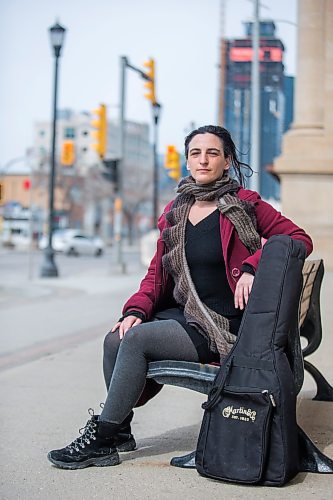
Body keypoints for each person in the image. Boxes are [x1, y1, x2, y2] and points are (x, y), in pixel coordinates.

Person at [47, 125, 313, 470]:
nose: (203, 160)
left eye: (213, 153)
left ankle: (101, 438)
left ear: (227, 161)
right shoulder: (175, 211)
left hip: (222, 322)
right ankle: (120, 430)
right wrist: (136, 310)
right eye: (195, 153)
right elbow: (157, 274)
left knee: (138, 342)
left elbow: (298, 238)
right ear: (187, 161)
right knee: (118, 336)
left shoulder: (247, 205)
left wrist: (252, 267)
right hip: (183, 313)